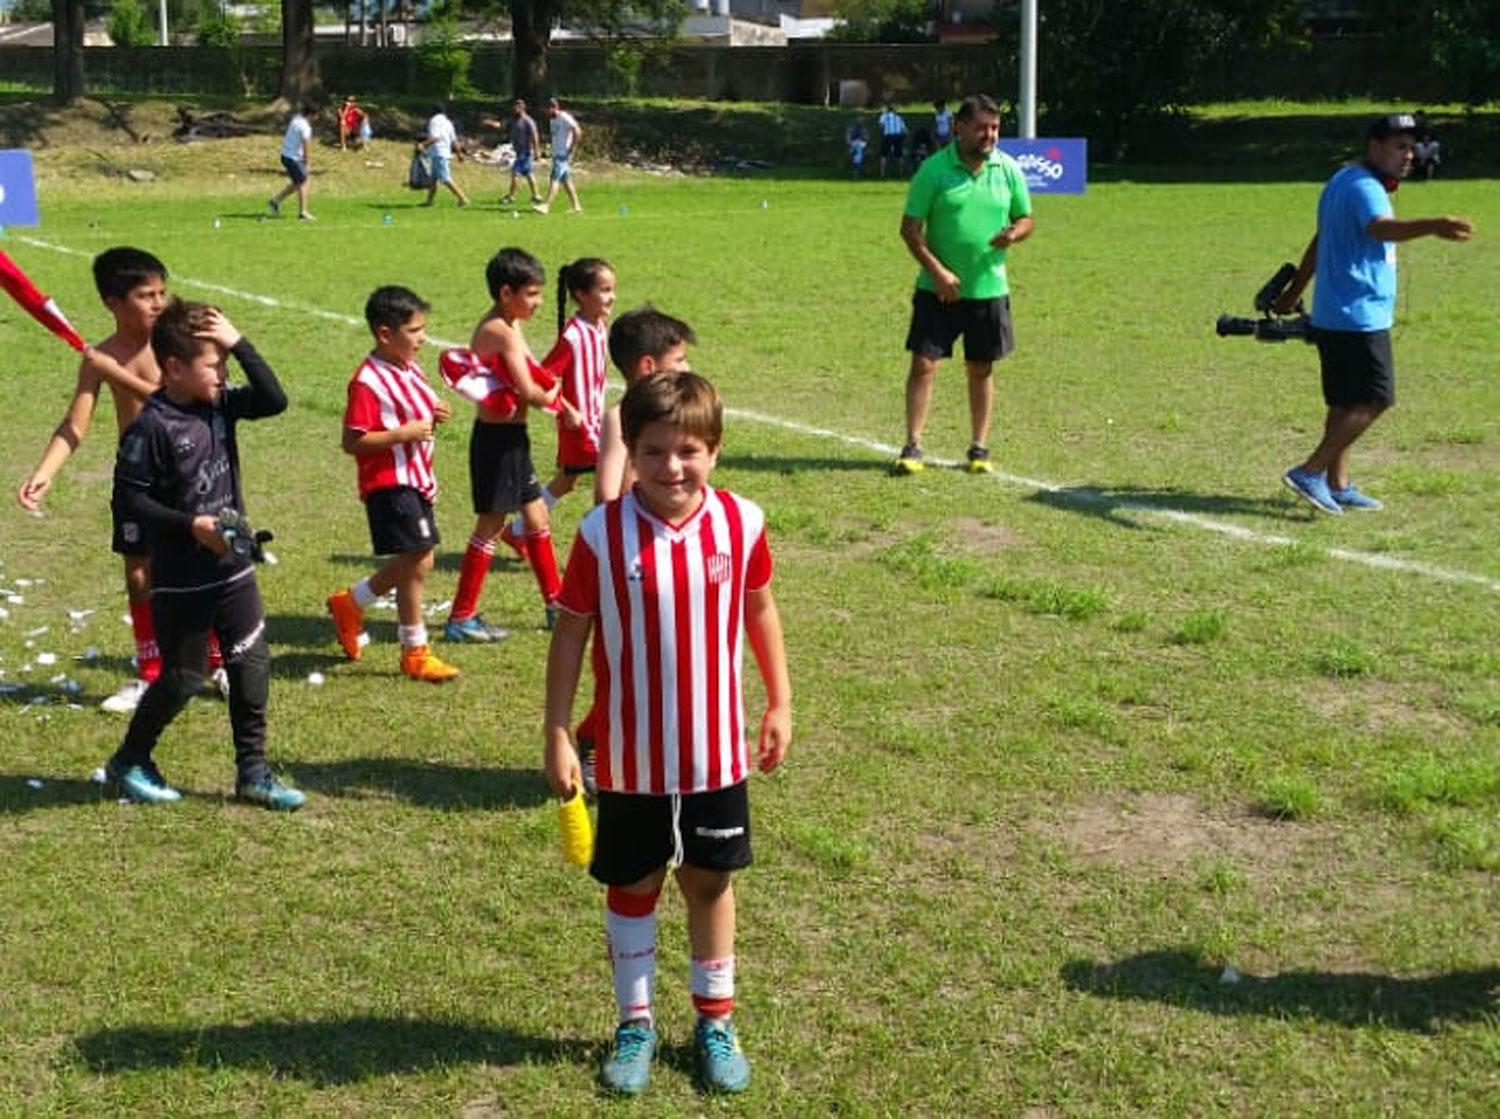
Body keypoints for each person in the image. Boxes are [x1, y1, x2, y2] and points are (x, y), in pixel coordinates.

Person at [543, 371, 792, 1097]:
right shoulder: (602, 531)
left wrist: (780, 701)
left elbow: (762, 609)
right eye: (653, 451)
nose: (671, 467)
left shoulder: (742, 522)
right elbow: (570, 635)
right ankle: (636, 1022)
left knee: (710, 882)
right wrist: (558, 729)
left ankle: (715, 1020)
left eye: (688, 450)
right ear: (631, 452)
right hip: (628, 757)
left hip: (715, 752)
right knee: (632, 883)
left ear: (714, 450)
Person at [104, 299, 304, 810]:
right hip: (182, 578)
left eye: (226, 363)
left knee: (252, 666)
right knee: (185, 677)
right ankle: (130, 759)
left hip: (233, 569)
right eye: (213, 364)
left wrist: (238, 342)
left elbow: (275, 399)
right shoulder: (151, 427)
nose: (223, 373)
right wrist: (190, 525)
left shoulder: (219, 404)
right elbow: (131, 500)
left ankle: (253, 772)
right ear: (173, 368)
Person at [15, 248, 223, 715]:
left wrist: (114, 372)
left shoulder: (180, 349)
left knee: (203, 565)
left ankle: (216, 658)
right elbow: (75, 424)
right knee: (139, 571)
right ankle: (151, 670)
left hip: (191, 473)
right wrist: (44, 473)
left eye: (161, 293)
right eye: (145, 295)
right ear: (112, 301)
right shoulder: (101, 356)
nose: (157, 303)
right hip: (138, 478)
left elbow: (175, 403)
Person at [1273, 113, 1473, 515]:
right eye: (1400, 146)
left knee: (1345, 402)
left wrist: (1292, 293)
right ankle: (1310, 472)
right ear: (1374, 147)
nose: (1409, 155)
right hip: (1358, 315)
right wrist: (1434, 225)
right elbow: (1381, 228)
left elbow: (1321, 240)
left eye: (1412, 147)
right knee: (1376, 398)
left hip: (1335, 313)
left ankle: (1338, 483)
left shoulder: (1342, 180)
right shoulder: (1366, 188)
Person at [892, 93, 1034, 476]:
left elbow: (1026, 218)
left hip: (988, 289)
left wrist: (1014, 234)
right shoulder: (933, 171)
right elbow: (909, 230)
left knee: (981, 368)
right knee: (924, 364)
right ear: (959, 127)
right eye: (981, 128)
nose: (989, 135)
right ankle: (912, 445)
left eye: (995, 128)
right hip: (937, 290)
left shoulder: (1008, 169)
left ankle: (979, 448)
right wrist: (938, 272)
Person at [326, 286, 459, 683]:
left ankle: (351, 603)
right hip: (390, 482)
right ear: (385, 334)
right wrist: (402, 433)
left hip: (415, 477)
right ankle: (414, 650)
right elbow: (353, 441)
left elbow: (416, 411)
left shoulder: (409, 365)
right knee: (420, 558)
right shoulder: (367, 381)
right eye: (415, 330)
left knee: (416, 558)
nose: (422, 338)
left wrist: (436, 411)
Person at [443, 248, 564, 641]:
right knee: (491, 526)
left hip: (514, 439)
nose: (539, 302)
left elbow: (531, 368)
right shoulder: (498, 330)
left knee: (536, 518)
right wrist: (553, 397)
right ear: (505, 292)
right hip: (496, 443)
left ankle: (555, 604)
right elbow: (528, 390)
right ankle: (461, 618)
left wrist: (556, 390)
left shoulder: (511, 324)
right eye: (532, 294)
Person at [499, 258, 616, 561]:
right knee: (614, 479)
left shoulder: (599, 325)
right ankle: (606, 547)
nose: (611, 297)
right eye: (604, 290)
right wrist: (566, 409)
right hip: (581, 427)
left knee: (567, 480)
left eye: (612, 289)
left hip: (594, 422)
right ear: (581, 294)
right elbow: (544, 376)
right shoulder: (573, 336)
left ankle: (518, 530)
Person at [595, 306, 697, 505]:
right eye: (680, 359)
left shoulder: (677, 410)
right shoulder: (619, 417)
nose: (686, 368)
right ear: (648, 366)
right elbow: (606, 496)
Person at [534, 97, 583, 215]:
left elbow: (577, 130)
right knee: (566, 181)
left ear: (554, 107)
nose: (546, 112)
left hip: (562, 154)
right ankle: (576, 206)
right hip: (557, 154)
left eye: (547, 109)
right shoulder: (552, 120)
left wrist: (571, 148)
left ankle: (546, 205)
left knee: (554, 180)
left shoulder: (564, 117)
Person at [270, 102, 318, 221]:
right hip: (292, 157)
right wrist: (307, 163)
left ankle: (275, 201)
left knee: (298, 182)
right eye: (316, 115)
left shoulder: (296, 119)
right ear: (311, 115)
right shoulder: (305, 127)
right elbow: (306, 145)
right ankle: (303, 213)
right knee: (303, 181)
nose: (317, 118)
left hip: (286, 155)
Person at [490, 98, 542, 206]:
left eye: (517, 107)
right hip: (519, 152)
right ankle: (536, 195)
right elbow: (501, 125)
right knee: (528, 173)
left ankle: (511, 196)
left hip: (525, 151)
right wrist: (490, 123)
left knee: (515, 173)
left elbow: (535, 136)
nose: (515, 109)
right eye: (514, 107)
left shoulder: (528, 121)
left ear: (522, 108)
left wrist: (537, 151)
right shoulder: (512, 120)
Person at [420, 104, 470, 209]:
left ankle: (463, 198)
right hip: (444, 152)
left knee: (445, 178)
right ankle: (429, 201)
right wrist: (459, 154)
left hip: (438, 153)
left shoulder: (434, 121)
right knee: (433, 179)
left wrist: (423, 145)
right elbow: (454, 140)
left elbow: (435, 137)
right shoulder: (448, 122)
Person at [877, 101, 907, 178]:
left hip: (887, 136)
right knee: (899, 155)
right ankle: (901, 172)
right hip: (897, 136)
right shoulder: (899, 118)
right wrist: (903, 138)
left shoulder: (883, 116)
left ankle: (882, 174)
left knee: (883, 155)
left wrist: (882, 135)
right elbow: (904, 130)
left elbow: (881, 127)